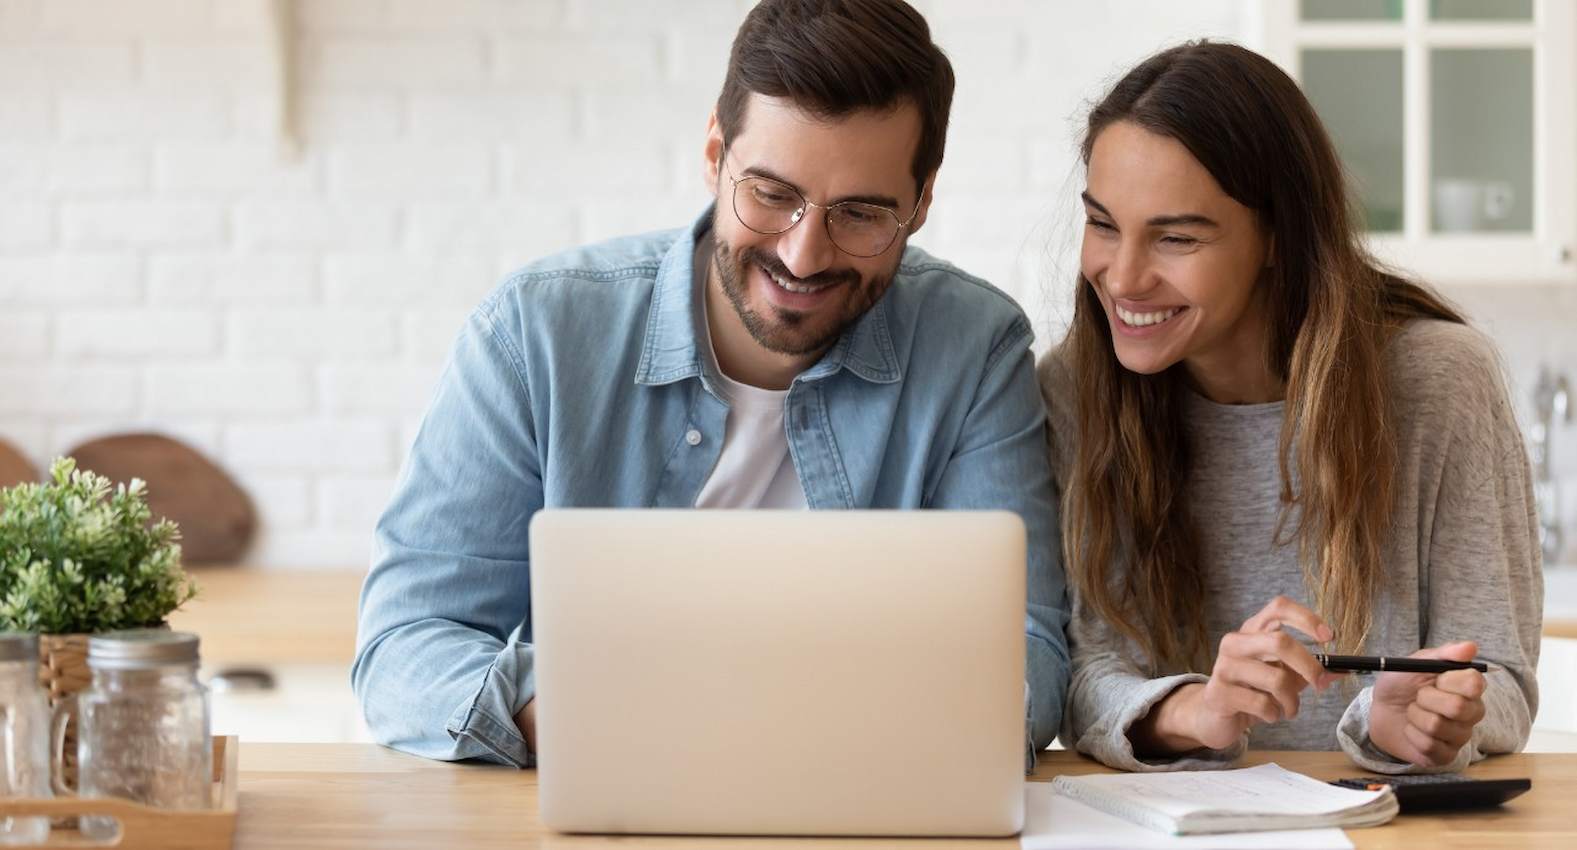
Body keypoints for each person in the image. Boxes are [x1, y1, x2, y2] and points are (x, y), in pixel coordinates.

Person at [353, 0, 1070, 767]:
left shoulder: (975, 349)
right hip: (609, 791)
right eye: (769, 194)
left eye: (859, 214)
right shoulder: (536, 333)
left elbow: (1024, 648)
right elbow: (406, 644)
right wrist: (563, 712)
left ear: (922, 201)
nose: (801, 255)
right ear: (713, 154)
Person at [1040, 41, 1541, 774]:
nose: (1121, 276)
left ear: (1279, 237)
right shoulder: (1074, 389)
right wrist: (1199, 710)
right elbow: (1085, 671)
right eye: (1103, 224)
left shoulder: (1438, 382)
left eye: (1175, 237)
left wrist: (1417, 721)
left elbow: (1498, 671)